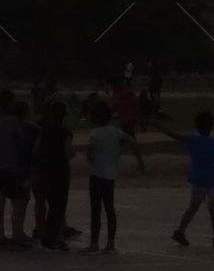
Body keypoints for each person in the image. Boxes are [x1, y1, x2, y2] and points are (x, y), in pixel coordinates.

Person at [154, 111, 214, 248]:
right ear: (211, 126)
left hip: (198, 179)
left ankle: (181, 231)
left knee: (193, 207)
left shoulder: (193, 140)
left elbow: (172, 134)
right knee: (213, 209)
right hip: (211, 181)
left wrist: (158, 125)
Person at [0, 90, 30, 250]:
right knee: (18, 200)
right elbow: (20, 143)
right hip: (10, 167)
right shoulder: (13, 122)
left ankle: (1, 235)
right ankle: (17, 234)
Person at [85, 100, 131, 253]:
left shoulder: (95, 133)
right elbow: (129, 139)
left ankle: (94, 243)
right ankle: (111, 243)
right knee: (109, 208)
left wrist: (90, 157)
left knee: (95, 209)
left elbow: (91, 148)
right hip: (110, 175)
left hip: (97, 174)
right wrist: (118, 149)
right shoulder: (115, 131)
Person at [38, 100, 74, 251]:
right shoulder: (65, 132)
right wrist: (73, 153)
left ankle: (47, 235)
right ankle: (55, 238)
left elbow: (36, 149)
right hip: (60, 169)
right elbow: (68, 153)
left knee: (52, 202)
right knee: (59, 205)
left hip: (46, 168)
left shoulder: (44, 131)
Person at [111, 79, 146, 171]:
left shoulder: (127, 93)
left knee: (124, 141)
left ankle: (140, 163)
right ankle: (140, 163)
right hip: (124, 120)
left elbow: (136, 108)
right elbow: (114, 106)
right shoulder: (119, 93)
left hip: (128, 120)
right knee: (125, 141)